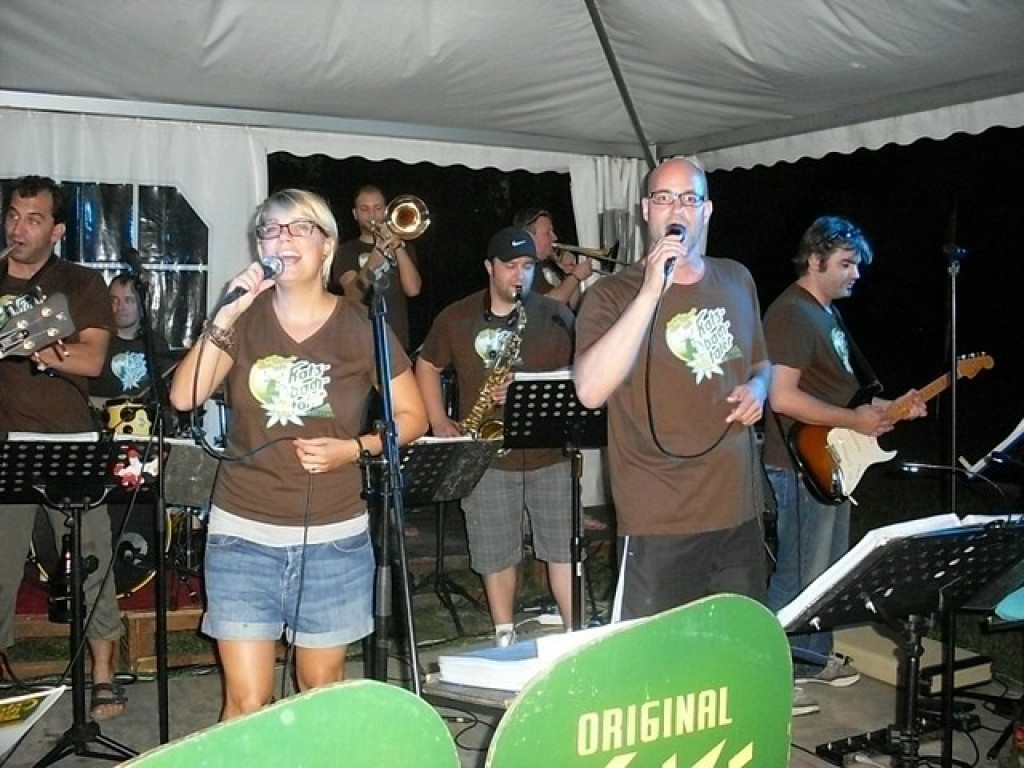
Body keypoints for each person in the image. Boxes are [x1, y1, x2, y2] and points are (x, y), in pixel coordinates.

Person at [168, 188, 427, 719]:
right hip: (242, 534)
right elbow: (184, 396)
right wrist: (228, 311)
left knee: (319, 697)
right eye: (271, 229)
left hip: (334, 539)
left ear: (326, 244)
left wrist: (353, 448)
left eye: (298, 228)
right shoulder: (243, 319)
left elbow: (413, 417)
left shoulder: (361, 325)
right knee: (245, 702)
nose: (282, 239)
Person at [574, 157, 771, 620]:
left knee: (735, 648)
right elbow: (590, 391)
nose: (676, 209)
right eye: (663, 198)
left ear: (706, 211)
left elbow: (761, 361)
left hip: (737, 510)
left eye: (688, 199)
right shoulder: (610, 295)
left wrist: (759, 388)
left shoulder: (736, 278)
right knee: (656, 658)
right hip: (659, 516)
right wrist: (650, 291)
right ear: (646, 210)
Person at [761, 216, 926, 714]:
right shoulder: (792, 313)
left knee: (825, 573)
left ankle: (810, 659)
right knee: (798, 574)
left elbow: (839, 396)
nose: (856, 274)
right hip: (799, 465)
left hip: (830, 462)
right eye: (847, 264)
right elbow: (782, 397)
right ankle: (769, 675)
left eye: (857, 265)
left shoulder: (824, 313)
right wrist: (853, 419)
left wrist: (888, 409)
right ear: (815, 260)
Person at [0, 175, 126, 720]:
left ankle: (102, 675)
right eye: (12, 215)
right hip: (4, 442)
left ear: (56, 230)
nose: (18, 227)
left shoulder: (78, 282)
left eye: (33, 219)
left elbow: (92, 359)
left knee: (92, 563)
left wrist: (33, 346)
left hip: (68, 441)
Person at [415, 227, 575, 646]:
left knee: (562, 548)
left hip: (549, 453)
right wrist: (438, 419)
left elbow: (585, 373)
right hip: (486, 455)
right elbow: (427, 365)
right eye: (510, 266)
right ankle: (504, 633)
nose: (520, 275)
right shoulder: (457, 317)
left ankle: (574, 634)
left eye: (528, 266)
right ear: (489, 267)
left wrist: (527, 385)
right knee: (494, 551)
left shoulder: (555, 315)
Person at [328, 185, 422, 351]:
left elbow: (413, 290)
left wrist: (398, 247)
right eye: (364, 209)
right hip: (360, 342)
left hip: (397, 342)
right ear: (355, 214)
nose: (372, 215)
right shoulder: (346, 251)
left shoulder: (404, 248)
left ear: (386, 211)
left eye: (378, 208)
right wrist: (374, 259)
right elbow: (352, 296)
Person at [90, 268, 176, 429]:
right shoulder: (96, 341)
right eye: (114, 300)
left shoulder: (155, 344)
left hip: (147, 429)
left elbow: (167, 397)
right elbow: (79, 397)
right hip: (103, 429)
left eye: (129, 300)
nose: (120, 307)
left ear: (141, 305)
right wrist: (114, 404)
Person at [513, 208, 592, 310]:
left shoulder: (549, 264)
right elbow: (548, 305)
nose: (555, 237)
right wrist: (576, 276)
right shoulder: (523, 269)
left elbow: (572, 304)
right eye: (548, 233)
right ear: (529, 237)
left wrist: (569, 273)